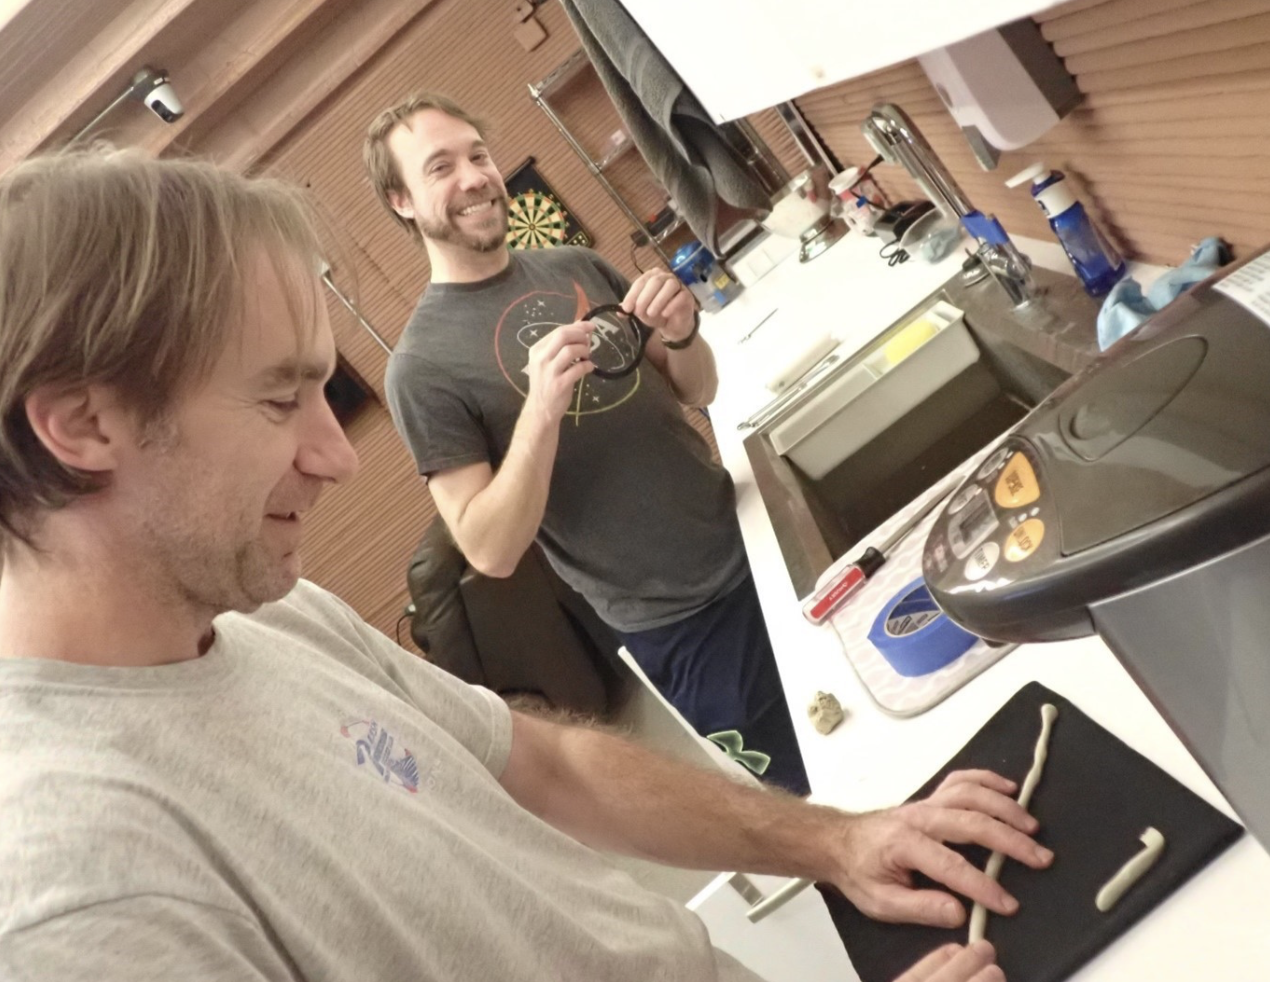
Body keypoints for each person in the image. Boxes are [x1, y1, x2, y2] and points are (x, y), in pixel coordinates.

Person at [0, 147, 1051, 982]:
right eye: (281, 399)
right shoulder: (79, 890)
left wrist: (837, 839)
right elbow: (489, 543)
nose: (329, 455)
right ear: (86, 424)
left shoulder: (273, 619)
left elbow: (544, 763)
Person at [368, 93, 811, 794]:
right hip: (684, 627)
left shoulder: (574, 264)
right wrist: (541, 409)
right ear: (401, 200)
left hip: (761, 538)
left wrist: (682, 330)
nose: (474, 178)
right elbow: (489, 546)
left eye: (478, 156)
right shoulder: (419, 369)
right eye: (440, 168)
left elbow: (697, 390)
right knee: (812, 797)